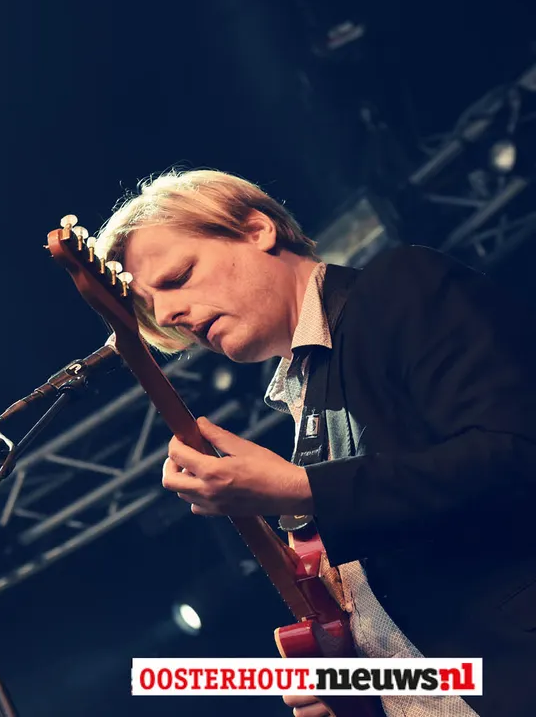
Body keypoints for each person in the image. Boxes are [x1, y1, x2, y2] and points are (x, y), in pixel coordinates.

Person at [93, 168, 536, 717]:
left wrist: (305, 489)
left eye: (178, 277)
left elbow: (517, 455)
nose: (166, 316)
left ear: (257, 230)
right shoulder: (306, 402)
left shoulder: (401, 286)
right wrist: (358, 687)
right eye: (152, 308)